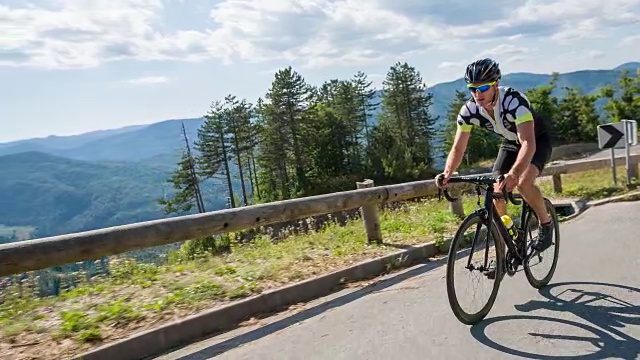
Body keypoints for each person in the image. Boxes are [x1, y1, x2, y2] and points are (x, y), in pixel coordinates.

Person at [435, 58, 554, 279]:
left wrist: (515, 173)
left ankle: (546, 225)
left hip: (536, 141)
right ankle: (502, 253)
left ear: (495, 84)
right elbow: (458, 148)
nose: (477, 94)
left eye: (482, 88)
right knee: (496, 193)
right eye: (472, 89)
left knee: (524, 183)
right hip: (510, 143)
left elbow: (528, 143)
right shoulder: (469, 110)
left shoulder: (514, 101)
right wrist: (448, 172)